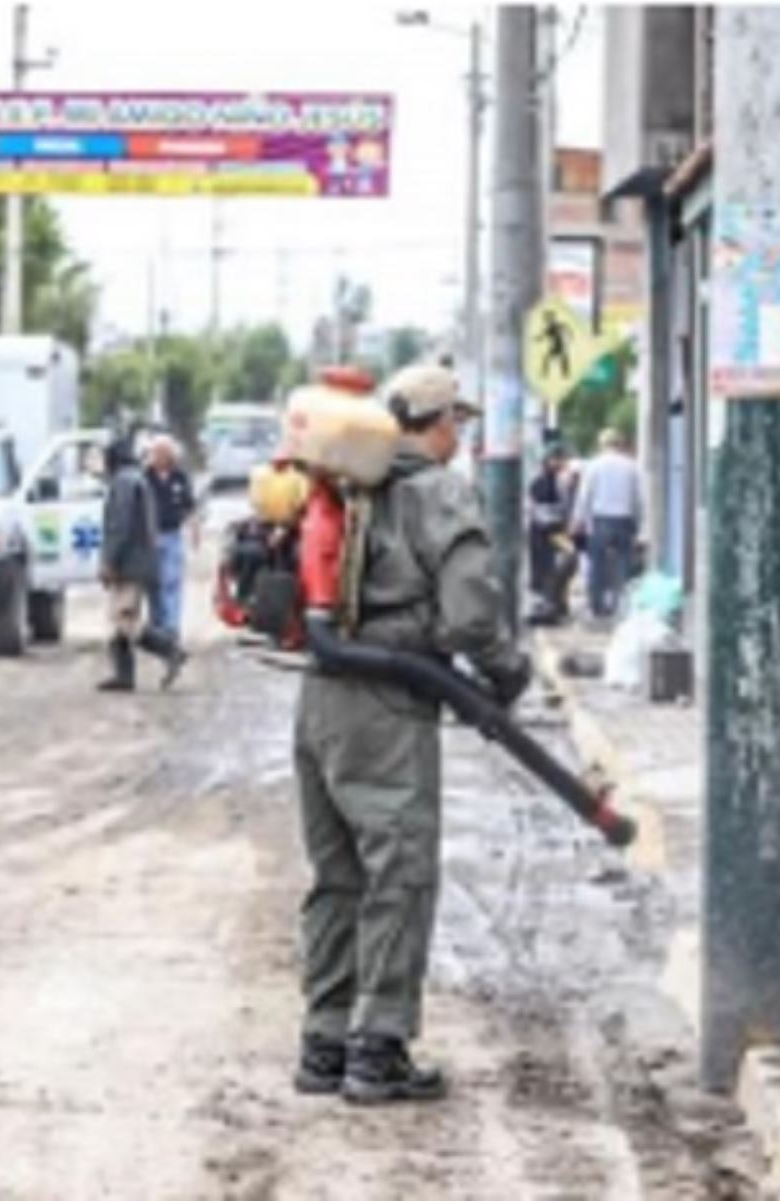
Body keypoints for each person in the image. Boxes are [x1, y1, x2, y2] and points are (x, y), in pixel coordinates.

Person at [292, 363, 532, 1105]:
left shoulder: (345, 485)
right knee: (398, 870)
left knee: (338, 877)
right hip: (387, 703)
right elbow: (468, 614)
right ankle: (378, 1049)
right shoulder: (436, 490)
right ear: (435, 423)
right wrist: (503, 669)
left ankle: (324, 1043)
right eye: (454, 421)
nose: (459, 434)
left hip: (320, 697)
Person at [97, 433, 187, 692]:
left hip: (129, 562)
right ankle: (123, 675)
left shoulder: (124, 483)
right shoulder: (136, 479)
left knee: (124, 618)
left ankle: (170, 650)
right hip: (141, 558)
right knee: (118, 621)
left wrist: (109, 561)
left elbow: (119, 527)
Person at [571, 428, 644, 621]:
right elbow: (638, 498)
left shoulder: (594, 466)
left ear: (601, 445)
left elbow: (584, 495)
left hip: (601, 519)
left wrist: (578, 521)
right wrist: (639, 524)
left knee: (598, 565)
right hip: (624, 520)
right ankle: (623, 606)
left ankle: (598, 607)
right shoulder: (631, 466)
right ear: (620, 444)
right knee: (624, 565)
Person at [142, 433, 199, 649]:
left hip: (172, 535)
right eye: (156, 452)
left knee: (172, 582)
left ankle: (171, 628)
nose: (160, 456)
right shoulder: (144, 477)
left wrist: (194, 531)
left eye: (164, 452)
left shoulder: (179, 477)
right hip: (150, 537)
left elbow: (190, 506)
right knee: (154, 584)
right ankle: (157, 626)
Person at [526, 443, 574, 621]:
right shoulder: (542, 482)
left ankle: (555, 603)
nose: (560, 462)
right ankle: (549, 605)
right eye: (557, 459)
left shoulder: (558, 480)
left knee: (561, 565)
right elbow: (541, 510)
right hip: (546, 532)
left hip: (552, 531)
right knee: (549, 568)